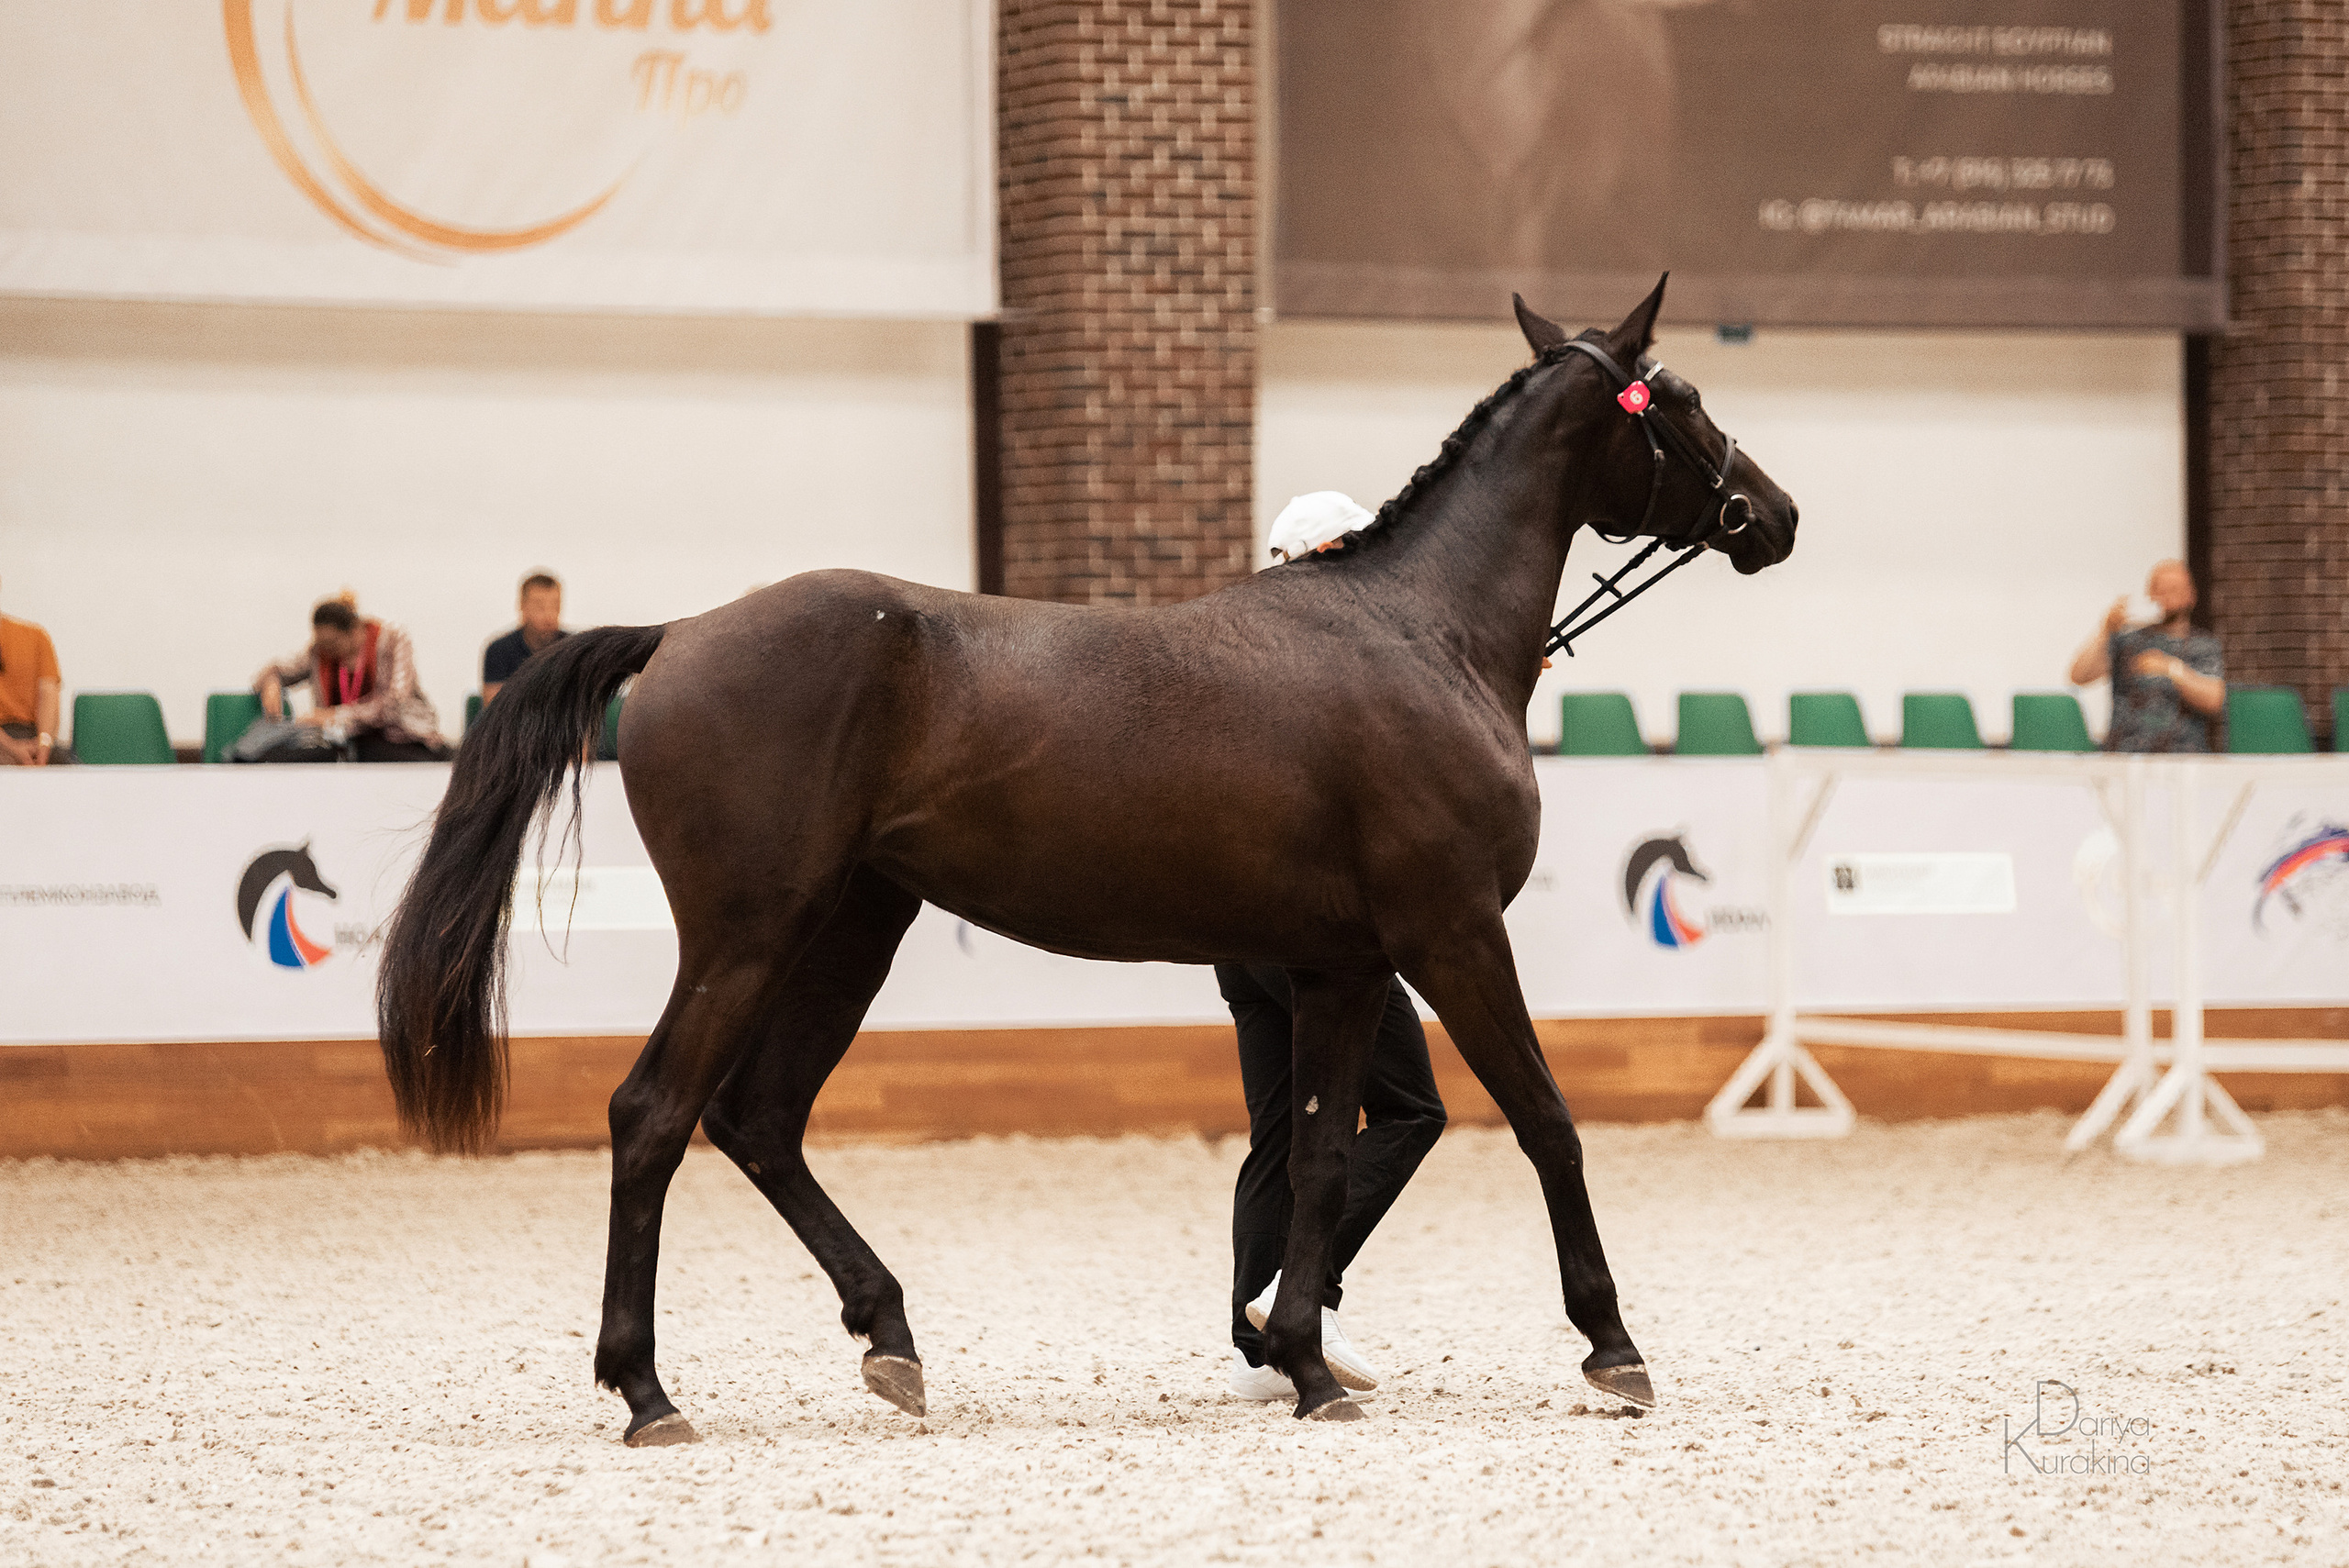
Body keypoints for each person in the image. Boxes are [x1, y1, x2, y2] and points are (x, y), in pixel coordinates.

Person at [1219, 963, 1448, 1401]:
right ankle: (1302, 1289)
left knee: (1277, 1139)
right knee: (1410, 1111)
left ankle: (1259, 1357)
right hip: (1316, 944)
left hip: (1236, 950)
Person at [250, 598, 451, 762]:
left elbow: (393, 703)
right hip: (347, 743)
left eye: (332, 643)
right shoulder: (321, 651)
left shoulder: (391, 640)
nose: (327, 650)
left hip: (402, 738)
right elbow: (278, 670)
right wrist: (271, 681)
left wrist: (335, 715)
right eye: (321, 644)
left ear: (355, 631)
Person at [2067, 560, 2226, 752]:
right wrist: (2106, 630)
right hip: (2123, 754)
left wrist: (2171, 669)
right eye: (2160, 589)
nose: (2166, 597)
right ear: (2150, 594)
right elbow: (2079, 675)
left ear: (2190, 596)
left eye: (2174, 589)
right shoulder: (2129, 640)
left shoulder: (2203, 645)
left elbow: (2215, 700)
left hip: (2181, 756)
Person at [0, 577, 72, 765]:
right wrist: (13, 748)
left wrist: (43, 743)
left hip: (30, 737)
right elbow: (48, 692)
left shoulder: (35, 636)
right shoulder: (35, 635)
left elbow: (48, 694)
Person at [482, 572, 568, 704]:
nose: (549, 615)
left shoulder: (573, 649)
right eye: (540, 607)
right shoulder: (499, 650)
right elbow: (495, 707)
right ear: (522, 607)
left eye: (555, 606)